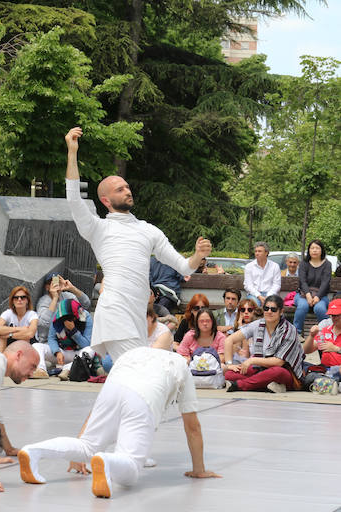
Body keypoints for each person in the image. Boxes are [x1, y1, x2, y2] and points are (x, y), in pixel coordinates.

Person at [63, 127, 210, 363]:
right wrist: (72, 153)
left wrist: (197, 255)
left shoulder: (148, 230)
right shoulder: (97, 228)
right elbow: (73, 198)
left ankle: (100, 386)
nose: (127, 191)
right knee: (141, 370)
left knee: (130, 379)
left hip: (137, 317)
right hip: (115, 312)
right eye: (120, 189)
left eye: (127, 186)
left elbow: (184, 267)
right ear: (106, 200)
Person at [17, 347, 220, 498]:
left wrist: (83, 438)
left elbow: (100, 405)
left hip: (112, 389)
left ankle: (33, 450)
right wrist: (199, 470)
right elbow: (192, 427)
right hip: (144, 396)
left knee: (87, 446)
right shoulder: (181, 368)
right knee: (130, 469)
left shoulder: (135, 353)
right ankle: (107, 461)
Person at [223, 294, 303, 393]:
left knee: (277, 372)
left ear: (281, 312)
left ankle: (240, 385)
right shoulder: (257, 325)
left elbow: (279, 362)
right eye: (266, 308)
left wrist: (252, 360)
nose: (269, 312)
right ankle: (267, 386)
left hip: (285, 373)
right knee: (230, 374)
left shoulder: (289, 330)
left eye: (273, 309)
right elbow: (228, 340)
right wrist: (229, 364)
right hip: (260, 370)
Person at [43, 298, 96, 378]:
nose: (68, 319)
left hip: (78, 354)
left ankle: (66, 370)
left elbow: (86, 344)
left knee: (91, 349)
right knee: (37, 346)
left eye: (71, 317)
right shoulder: (58, 317)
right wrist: (57, 352)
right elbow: (51, 338)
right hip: (62, 353)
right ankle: (41, 370)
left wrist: (73, 331)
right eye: (65, 317)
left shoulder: (86, 317)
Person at [293, 239, 331, 336]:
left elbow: (325, 282)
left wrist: (318, 296)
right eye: (312, 248)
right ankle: (296, 334)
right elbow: (302, 281)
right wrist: (308, 295)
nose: (314, 250)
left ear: (322, 250)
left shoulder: (327, 264)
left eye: (317, 248)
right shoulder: (303, 264)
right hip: (303, 294)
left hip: (321, 296)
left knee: (320, 308)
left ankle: (326, 333)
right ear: (309, 250)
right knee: (302, 306)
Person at [302, 299, 341, 393]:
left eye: (337, 315)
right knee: (301, 365)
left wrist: (336, 349)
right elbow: (306, 350)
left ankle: (323, 383)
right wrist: (311, 336)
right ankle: (330, 383)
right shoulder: (325, 330)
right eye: (332, 315)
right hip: (324, 369)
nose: (333, 318)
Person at [0, 285, 38, 352]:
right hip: (11, 341)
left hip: (29, 344)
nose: (19, 299)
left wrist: (10, 335)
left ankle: (22, 362)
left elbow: (30, 334)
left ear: (27, 301)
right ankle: (0, 360)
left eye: (23, 297)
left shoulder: (32, 314)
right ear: (12, 301)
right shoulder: (8, 313)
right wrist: (18, 328)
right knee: (0, 337)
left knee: (25, 336)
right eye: (16, 298)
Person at [243, 241, 281, 306]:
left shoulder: (275, 266)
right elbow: (248, 285)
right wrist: (259, 296)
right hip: (254, 294)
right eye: (256, 251)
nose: (257, 253)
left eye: (260, 251)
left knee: (271, 306)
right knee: (255, 305)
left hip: (271, 294)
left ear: (266, 253)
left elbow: (277, 285)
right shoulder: (249, 267)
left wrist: (268, 296)